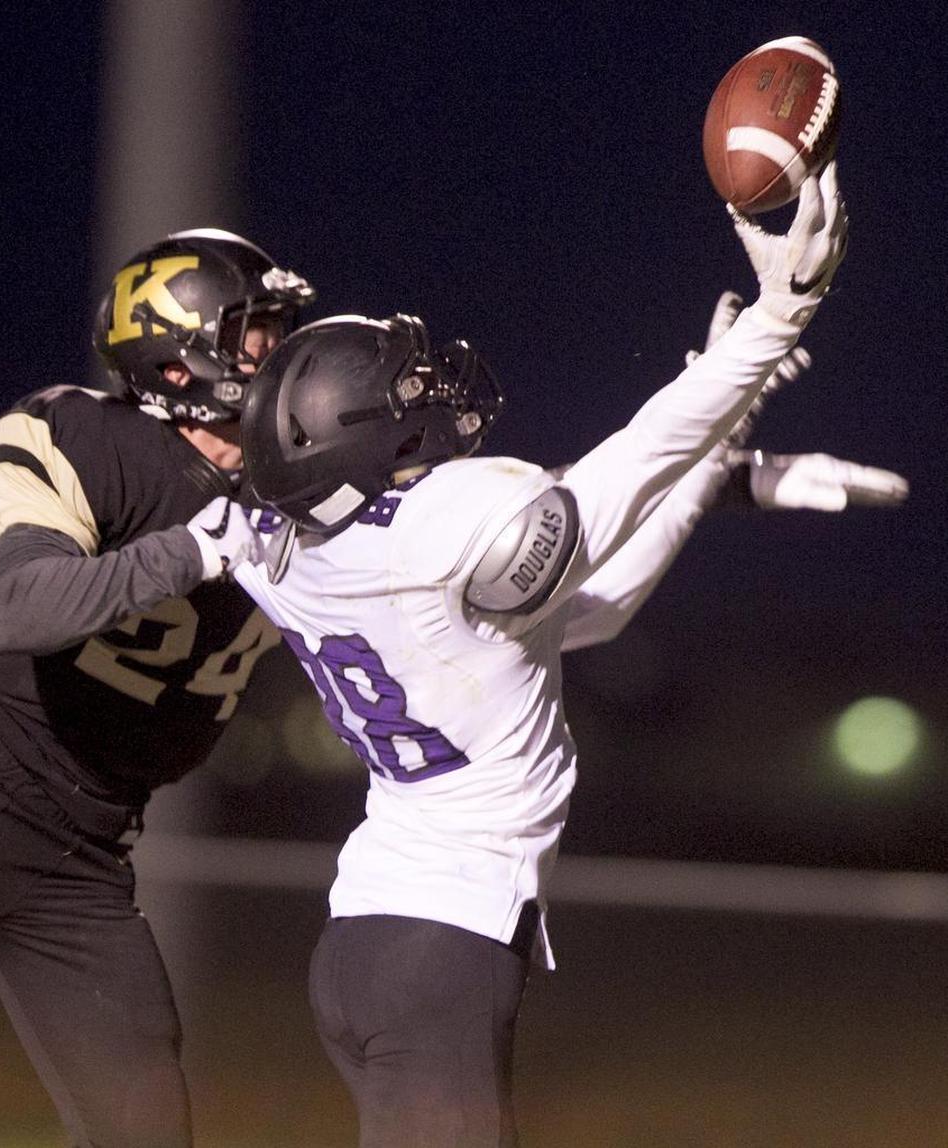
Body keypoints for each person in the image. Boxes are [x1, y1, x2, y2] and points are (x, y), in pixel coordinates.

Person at [193, 167, 864, 1146]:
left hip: (365, 937)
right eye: (402, 398)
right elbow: (629, 459)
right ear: (356, 451)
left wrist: (715, 462)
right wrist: (775, 322)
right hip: (440, 947)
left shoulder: (297, 549)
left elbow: (591, 606)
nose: (428, 404)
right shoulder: (438, 534)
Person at [0, 228, 310, 1148]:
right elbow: (14, 611)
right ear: (180, 350)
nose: (282, 354)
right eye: (257, 332)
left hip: (74, 857)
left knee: (146, 1131)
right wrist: (194, 549)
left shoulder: (315, 504)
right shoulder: (92, 438)